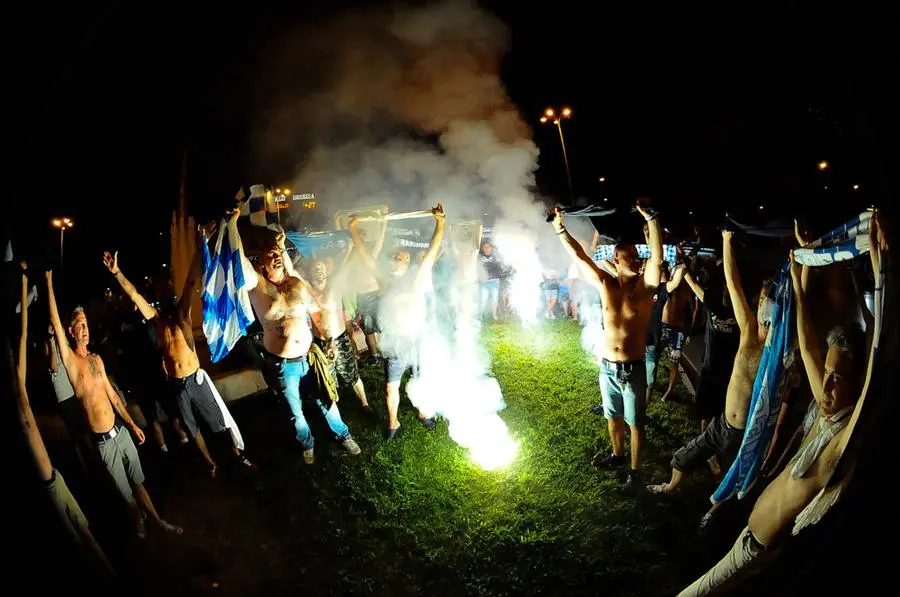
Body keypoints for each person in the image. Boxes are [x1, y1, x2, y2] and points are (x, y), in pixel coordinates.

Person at [677, 213, 887, 596]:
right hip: (754, 537)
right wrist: (796, 273)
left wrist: (881, 268)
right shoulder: (825, 415)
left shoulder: (842, 439)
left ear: (856, 385)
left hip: (756, 550)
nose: (825, 385)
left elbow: (874, 364)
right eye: (826, 373)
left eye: (838, 378)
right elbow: (807, 343)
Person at [104, 228, 255, 477]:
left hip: (195, 379)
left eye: (168, 292)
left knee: (218, 420)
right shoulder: (157, 321)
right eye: (161, 293)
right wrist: (117, 273)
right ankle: (210, 463)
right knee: (190, 426)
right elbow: (134, 294)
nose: (165, 296)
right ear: (158, 297)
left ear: (173, 295)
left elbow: (191, 280)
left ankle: (238, 456)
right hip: (175, 384)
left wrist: (199, 249)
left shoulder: (183, 314)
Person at [45, 270, 182, 538]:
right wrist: (49, 282)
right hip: (103, 443)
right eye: (79, 325)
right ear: (71, 331)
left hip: (120, 433)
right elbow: (55, 324)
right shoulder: (72, 364)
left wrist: (131, 425)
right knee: (125, 492)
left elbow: (114, 397)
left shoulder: (96, 359)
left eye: (86, 323)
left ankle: (157, 520)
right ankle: (138, 517)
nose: (84, 329)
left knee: (139, 483)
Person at [648, 230, 773, 515]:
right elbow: (732, 283)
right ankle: (669, 487)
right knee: (680, 459)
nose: (762, 305)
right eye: (762, 299)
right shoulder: (749, 332)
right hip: (721, 423)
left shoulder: (776, 350)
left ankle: (720, 514)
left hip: (743, 434)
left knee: (733, 490)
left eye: (768, 301)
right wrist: (726, 243)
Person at [552, 201, 663, 485]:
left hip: (633, 370)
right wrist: (560, 229)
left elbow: (657, 261)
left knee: (635, 423)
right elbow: (580, 257)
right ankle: (617, 455)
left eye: (638, 256)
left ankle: (635, 472)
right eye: (629, 257)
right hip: (608, 369)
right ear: (616, 260)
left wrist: (651, 220)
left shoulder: (645, 288)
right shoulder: (606, 285)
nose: (636, 260)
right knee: (612, 417)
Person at [17, 264, 114, 577]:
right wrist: (49, 343)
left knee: (87, 436)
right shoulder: (53, 352)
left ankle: (98, 473)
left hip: (75, 400)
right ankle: (89, 472)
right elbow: (52, 362)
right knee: (78, 440)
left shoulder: (73, 351)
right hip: (64, 402)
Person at [237, 222, 361, 465]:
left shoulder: (296, 284)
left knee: (326, 399)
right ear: (261, 263)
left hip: (310, 357)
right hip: (284, 366)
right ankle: (307, 443)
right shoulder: (258, 287)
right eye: (269, 255)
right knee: (296, 412)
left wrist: (328, 341)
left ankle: (343, 434)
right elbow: (239, 261)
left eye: (278, 253)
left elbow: (315, 313)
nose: (276, 258)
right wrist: (232, 226)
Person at [349, 204, 446, 439]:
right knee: (390, 386)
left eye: (400, 256)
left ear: (408, 261)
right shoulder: (385, 282)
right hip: (395, 342)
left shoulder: (419, 276)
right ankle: (393, 423)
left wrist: (440, 223)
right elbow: (368, 259)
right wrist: (353, 231)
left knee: (422, 378)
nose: (394, 258)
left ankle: (424, 412)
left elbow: (433, 250)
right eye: (393, 256)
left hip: (418, 338)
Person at [306, 256, 374, 415]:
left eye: (321, 267)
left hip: (340, 338)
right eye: (315, 268)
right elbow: (292, 272)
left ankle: (365, 404)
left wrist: (352, 249)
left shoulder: (334, 287)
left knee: (352, 373)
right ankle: (335, 409)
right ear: (309, 272)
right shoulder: (307, 290)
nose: (319, 270)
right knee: (326, 378)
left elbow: (347, 265)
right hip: (321, 342)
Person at [659, 258, 693, 402]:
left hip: (678, 330)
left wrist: (687, 331)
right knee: (653, 354)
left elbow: (691, 310)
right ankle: (650, 382)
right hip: (663, 326)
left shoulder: (688, 288)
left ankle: (670, 390)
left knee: (674, 362)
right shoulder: (669, 281)